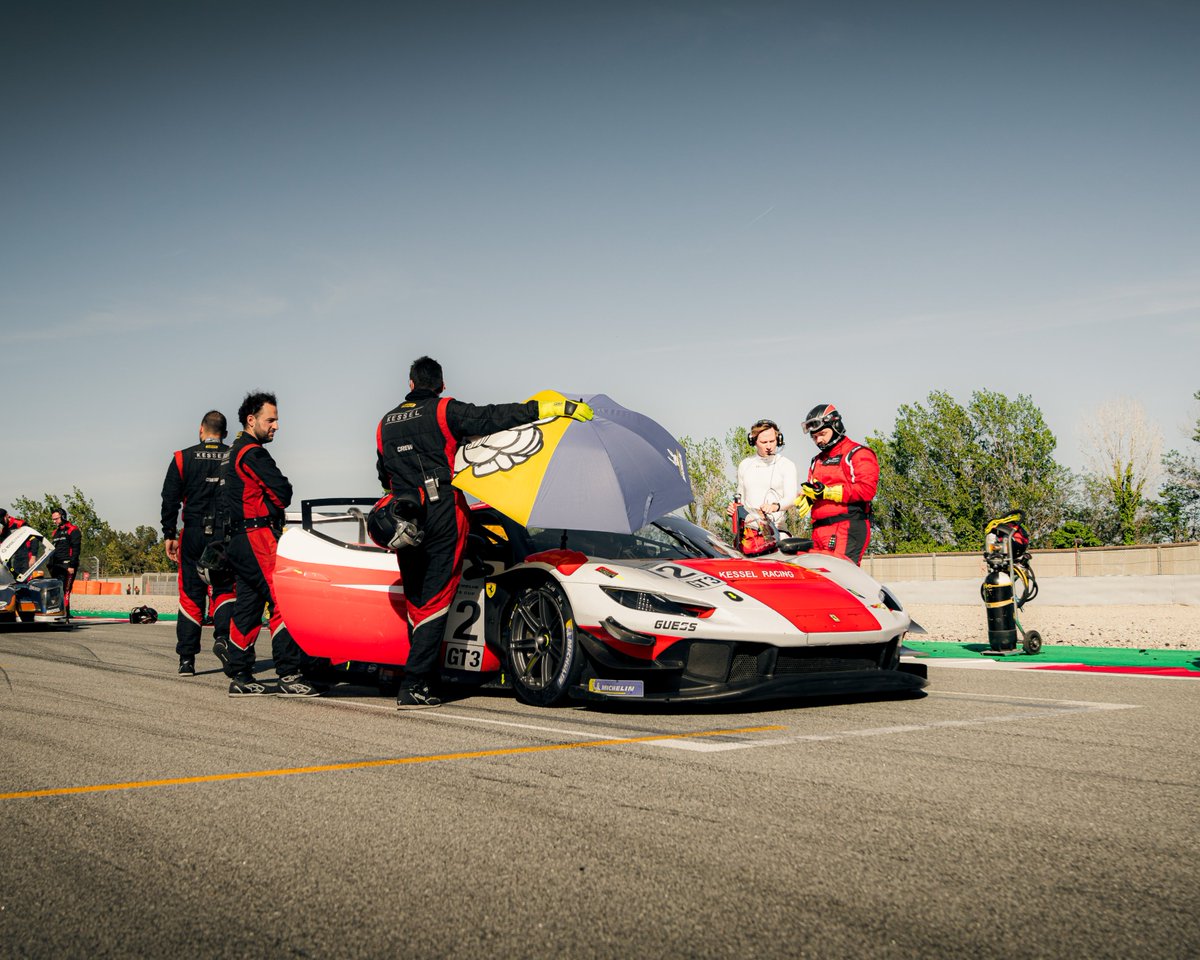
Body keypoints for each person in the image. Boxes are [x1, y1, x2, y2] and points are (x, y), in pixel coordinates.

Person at [376, 356, 593, 709]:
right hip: (441, 510)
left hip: (402, 516)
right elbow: (493, 417)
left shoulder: (384, 423)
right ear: (441, 385)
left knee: (417, 599)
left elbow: (383, 474)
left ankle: (422, 678)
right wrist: (546, 408)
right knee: (436, 598)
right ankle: (415, 684)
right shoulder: (445, 410)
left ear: (411, 383)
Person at [221, 391, 320, 697]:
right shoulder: (253, 453)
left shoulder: (231, 453)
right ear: (251, 420)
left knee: (249, 606)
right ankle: (289, 675)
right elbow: (283, 491)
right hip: (257, 536)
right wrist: (276, 499)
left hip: (236, 538)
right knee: (285, 601)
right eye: (271, 419)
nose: (276, 426)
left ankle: (239, 674)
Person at [160, 410, 235, 676]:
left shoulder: (182, 457)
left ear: (201, 430)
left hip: (192, 534)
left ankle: (186, 660)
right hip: (225, 535)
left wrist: (169, 533)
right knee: (226, 589)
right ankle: (224, 639)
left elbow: (170, 499)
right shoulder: (235, 455)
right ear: (225, 433)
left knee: (191, 594)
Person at [797, 403, 879, 565]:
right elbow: (815, 488)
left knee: (843, 578)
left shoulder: (857, 453)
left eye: (822, 434)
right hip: (819, 529)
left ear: (835, 426)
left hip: (846, 526)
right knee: (821, 581)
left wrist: (828, 492)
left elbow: (867, 490)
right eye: (814, 437)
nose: (818, 440)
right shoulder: (817, 461)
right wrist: (810, 496)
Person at [735, 419, 798, 533]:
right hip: (750, 531)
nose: (769, 446)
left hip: (778, 530)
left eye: (772, 441)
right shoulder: (744, 465)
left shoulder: (787, 465)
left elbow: (791, 498)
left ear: (778, 440)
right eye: (764, 442)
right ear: (753, 441)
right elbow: (741, 500)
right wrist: (734, 509)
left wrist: (774, 507)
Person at [48, 508, 81, 619]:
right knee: (56, 590)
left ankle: (65, 612)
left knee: (65, 589)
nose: (54, 521)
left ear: (62, 516)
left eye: (56, 519)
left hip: (67, 565)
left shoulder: (73, 530)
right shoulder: (55, 532)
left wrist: (72, 565)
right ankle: (57, 611)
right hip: (56, 566)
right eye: (53, 519)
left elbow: (76, 549)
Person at [0, 508, 37, 577]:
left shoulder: (20, 523)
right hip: (16, 559)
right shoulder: (4, 530)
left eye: (2, 520)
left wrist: (33, 556)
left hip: (27, 557)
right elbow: (2, 546)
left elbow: (34, 538)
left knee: (27, 579)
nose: (1, 522)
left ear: (7, 515)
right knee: (17, 581)